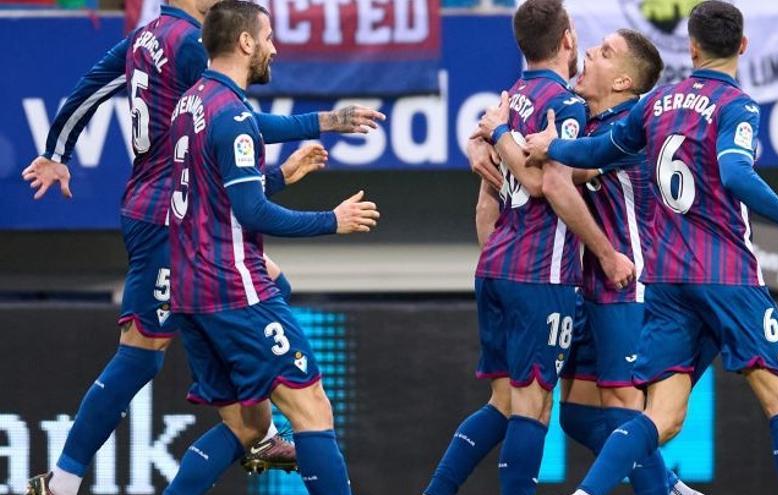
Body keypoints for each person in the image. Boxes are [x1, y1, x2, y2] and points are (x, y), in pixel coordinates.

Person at [22, 0, 384, 492]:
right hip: (170, 221)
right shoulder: (195, 48)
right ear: (244, 41)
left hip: (164, 210)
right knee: (142, 354)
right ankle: (61, 483)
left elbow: (93, 86)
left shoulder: (149, 34)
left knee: (271, 299)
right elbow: (236, 128)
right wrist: (321, 130)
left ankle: (257, 432)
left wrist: (56, 151)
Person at [523, 2, 778, 494]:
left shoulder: (657, 101)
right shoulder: (738, 106)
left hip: (667, 280)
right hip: (727, 273)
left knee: (660, 417)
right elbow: (734, 170)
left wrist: (550, 147)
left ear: (692, 47)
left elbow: (599, 150)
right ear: (743, 47)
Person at [163, 1, 379, 493]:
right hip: (234, 289)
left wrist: (291, 161)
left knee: (248, 427)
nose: (274, 47)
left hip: (190, 290)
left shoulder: (190, 104)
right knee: (312, 408)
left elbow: (216, 191)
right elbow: (251, 212)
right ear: (245, 42)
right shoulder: (232, 116)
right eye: (269, 36)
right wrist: (333, 220)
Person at [424, 2, 635, 495]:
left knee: (503, 402)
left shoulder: (509, 101)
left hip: (497, 265)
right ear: (566, 41)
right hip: (541, 274)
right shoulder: (564, 104)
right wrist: (606, 254)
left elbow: (484, 207)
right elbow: (551, 185)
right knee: (534, 405)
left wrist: (497, 263)